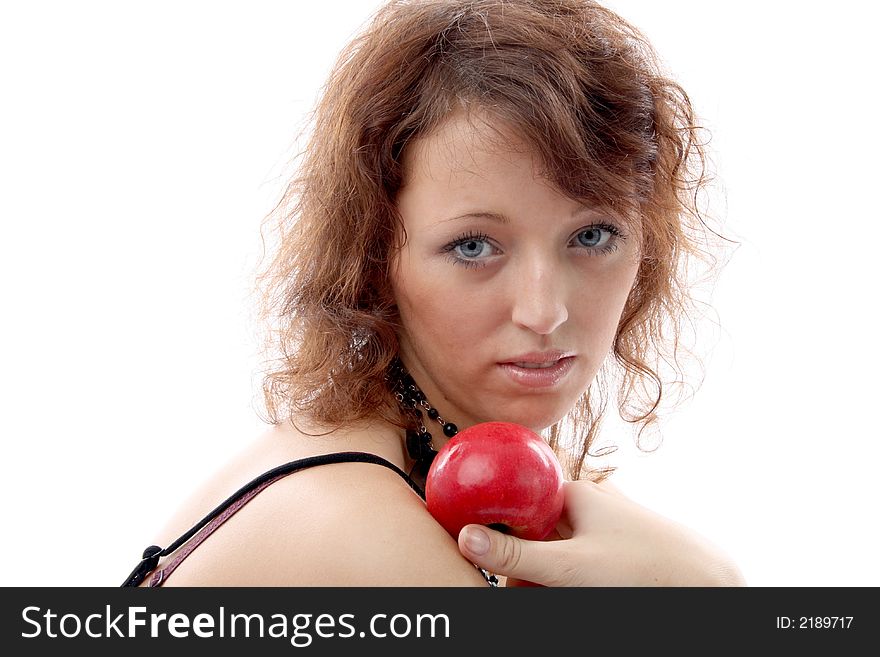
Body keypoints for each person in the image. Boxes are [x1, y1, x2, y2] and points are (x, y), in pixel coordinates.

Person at [122, 0, 745, 587]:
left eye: (592, 235)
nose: (544, 311)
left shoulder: (442, 466)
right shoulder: (359, 524)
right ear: (373, 258)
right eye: (473, 247)